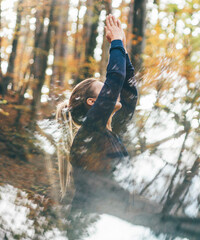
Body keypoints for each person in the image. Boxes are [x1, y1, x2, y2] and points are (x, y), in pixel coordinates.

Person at [55, 14, 138, 238]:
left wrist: (123, 51)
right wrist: (116, 44)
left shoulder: (108, 134)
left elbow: (129, 91)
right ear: (93, 103)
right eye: (105, 90)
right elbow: (116, 78)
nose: (114, 92)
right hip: (88, 229)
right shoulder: (88, 133)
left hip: (108, 227)